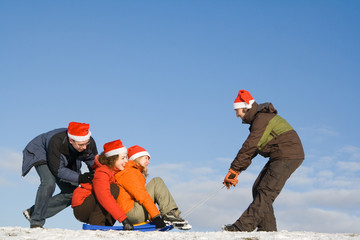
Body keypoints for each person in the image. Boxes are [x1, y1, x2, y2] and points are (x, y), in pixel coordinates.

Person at [222, 90, 304, 232]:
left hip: (288, 155)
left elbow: (250, 146)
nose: (237, 115)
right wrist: (236, 171)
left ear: (246, 107)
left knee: (266, 190)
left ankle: (242, 227)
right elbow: (252, 150)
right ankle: (267, 230)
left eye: (237, 111)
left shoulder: (262, 119)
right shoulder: (259, 119)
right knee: (258, 187)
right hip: (281, 155)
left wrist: (234, 170)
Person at [22, 122, 98, 228]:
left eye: (86, 143)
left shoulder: (88, 143)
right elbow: (58, 170)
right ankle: (36, 222)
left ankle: (33, 212)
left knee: (73, 192)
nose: (85, 147)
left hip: (62, 160)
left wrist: (99, 173)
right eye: (81, 145)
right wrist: (81, 177)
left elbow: (92, 161)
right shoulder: (56, 142)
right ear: (71, 140)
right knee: (48, 183)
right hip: (42, 152)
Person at [114, 145, 190, 230]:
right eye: (146, 158)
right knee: (156, 182)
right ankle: (169, 214)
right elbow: (142, 196)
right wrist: (156, 217)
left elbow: (145, 197)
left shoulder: (135, 172)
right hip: (131, 213)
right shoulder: (130, 172)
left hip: (133, 213)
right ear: (137, 158)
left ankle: (169, 215)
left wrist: (152, 218)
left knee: (153, 186)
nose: (148, 162)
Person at [71, 139, 133, 230]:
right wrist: (123, 219)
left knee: (118, 190)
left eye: (126, 157)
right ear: (113, 159)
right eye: (123, 158)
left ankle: (106, 225)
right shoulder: (102, 172)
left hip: (92, 205)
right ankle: (97, 225)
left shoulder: (116, 172)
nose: (126, 161)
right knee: (113, 189)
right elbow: (104, 196)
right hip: (82, 207)